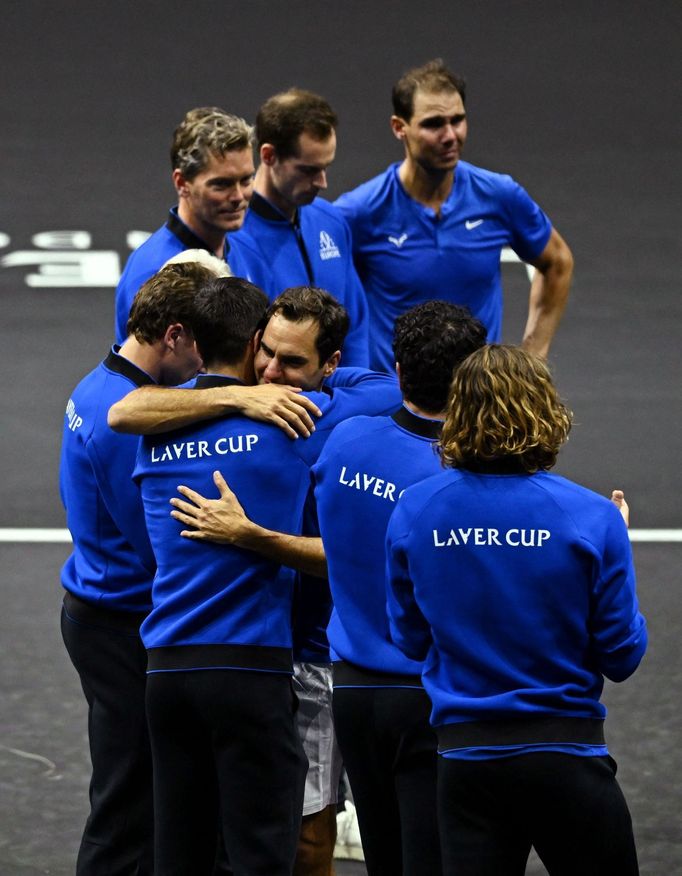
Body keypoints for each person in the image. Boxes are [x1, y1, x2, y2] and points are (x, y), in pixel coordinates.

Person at [111, 286, 402, 875]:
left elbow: (124, 410)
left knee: (179, 854)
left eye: (293, 362)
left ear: (329, 364)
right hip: (251, 671)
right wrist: (257, 397)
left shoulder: (158, 426)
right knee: (263, 857)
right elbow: (413, 392)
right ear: (250, 344)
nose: (274, 372)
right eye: (267, 354)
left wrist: (243, 395)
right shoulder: (304, 423)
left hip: (165, 670)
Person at [385, 345, 647, 876]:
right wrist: (618, 543)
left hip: (465, 767)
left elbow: (410, 640)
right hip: (567, 762)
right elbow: (621, 656)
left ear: (459, 412)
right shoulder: (594, 519)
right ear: (546, 411)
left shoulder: (415, 509)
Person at [311, 301, 486, 875]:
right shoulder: (463, 478)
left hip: (354, 693)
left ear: (400, 371)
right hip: (429, 698)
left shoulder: (342, 443)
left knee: (385, 858)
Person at [60, 261, 213, 875]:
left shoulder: (98, 386)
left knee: (137, 795)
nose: (206, 365)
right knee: (126, 809)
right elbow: (160, 547)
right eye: (201, 346)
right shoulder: (124, 418)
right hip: (121, 625)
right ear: (173, 335)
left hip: (98, 610)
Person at [335, 59, 574, 372]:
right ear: (399, 128)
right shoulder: (359, 211)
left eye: (458, 120)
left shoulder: (499, 195)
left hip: (476, 399)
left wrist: (531, 360)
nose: (451, 135)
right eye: (434, 124)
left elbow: (557, 262)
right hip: (393, 403)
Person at [230, 88, 370, 366]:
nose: (322, 182)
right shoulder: (233, 237)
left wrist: (350, 395)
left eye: (325, 167)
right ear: (269, 156)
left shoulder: (331, 220)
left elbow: (355, 328)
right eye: (308, 170)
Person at [114, 106, 255, 343]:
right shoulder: (154, 273)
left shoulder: (244, 248)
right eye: (221, 185)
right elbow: (152, 378)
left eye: (246, 180)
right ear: (182, 183)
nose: (238, 196)